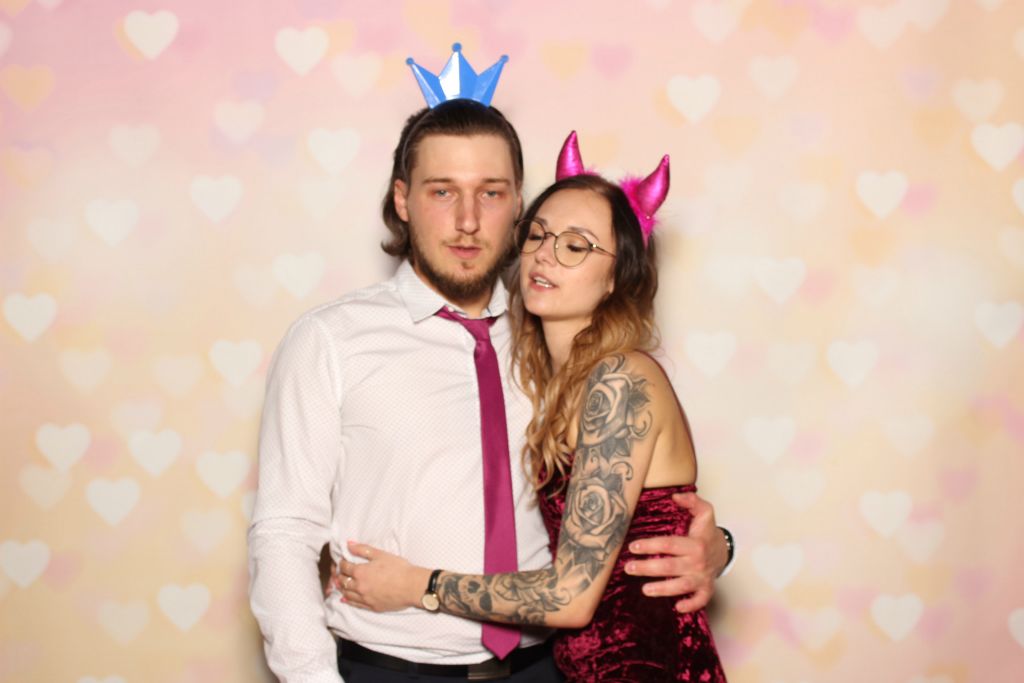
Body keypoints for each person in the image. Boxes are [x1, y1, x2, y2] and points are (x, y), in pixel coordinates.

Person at [248, 45, 732, 683]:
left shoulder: (560, 340)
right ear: (402, 199)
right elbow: (284, 531)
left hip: (549, 668)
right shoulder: (330, 340)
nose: (468, 220)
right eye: (442, 191)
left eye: (492, 193)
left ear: (517, 204)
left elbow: (629, 506)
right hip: (394, 669)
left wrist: (714, 547)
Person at [335, 131, 727, 682]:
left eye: (576, 246)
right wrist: (720, 546)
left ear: (618, 276)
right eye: (539, 234)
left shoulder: (620, 380)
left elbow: (571, 597)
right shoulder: (549, 375)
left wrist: (417, 584)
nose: (545, 254)